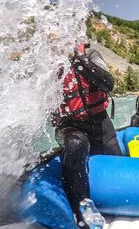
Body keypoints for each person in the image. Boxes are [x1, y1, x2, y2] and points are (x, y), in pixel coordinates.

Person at [53, 42, 122, 228]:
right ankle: (80, 211)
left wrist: (77, 60)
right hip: (70, 126)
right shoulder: (47, 64)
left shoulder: (90, 54)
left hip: (99, 123)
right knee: (76, 143)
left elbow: (108, 83)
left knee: (115, 158)